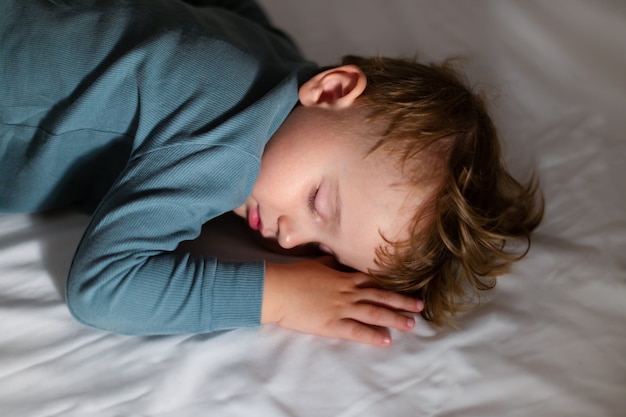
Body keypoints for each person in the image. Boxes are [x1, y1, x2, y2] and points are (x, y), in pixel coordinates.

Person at [0, 0, 542, 347]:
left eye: (324, 251)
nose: (291, 238)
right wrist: (281, 297)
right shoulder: (228, 150)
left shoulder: (272, 55)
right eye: (320, 205)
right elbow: (102, 289)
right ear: (332, 90)